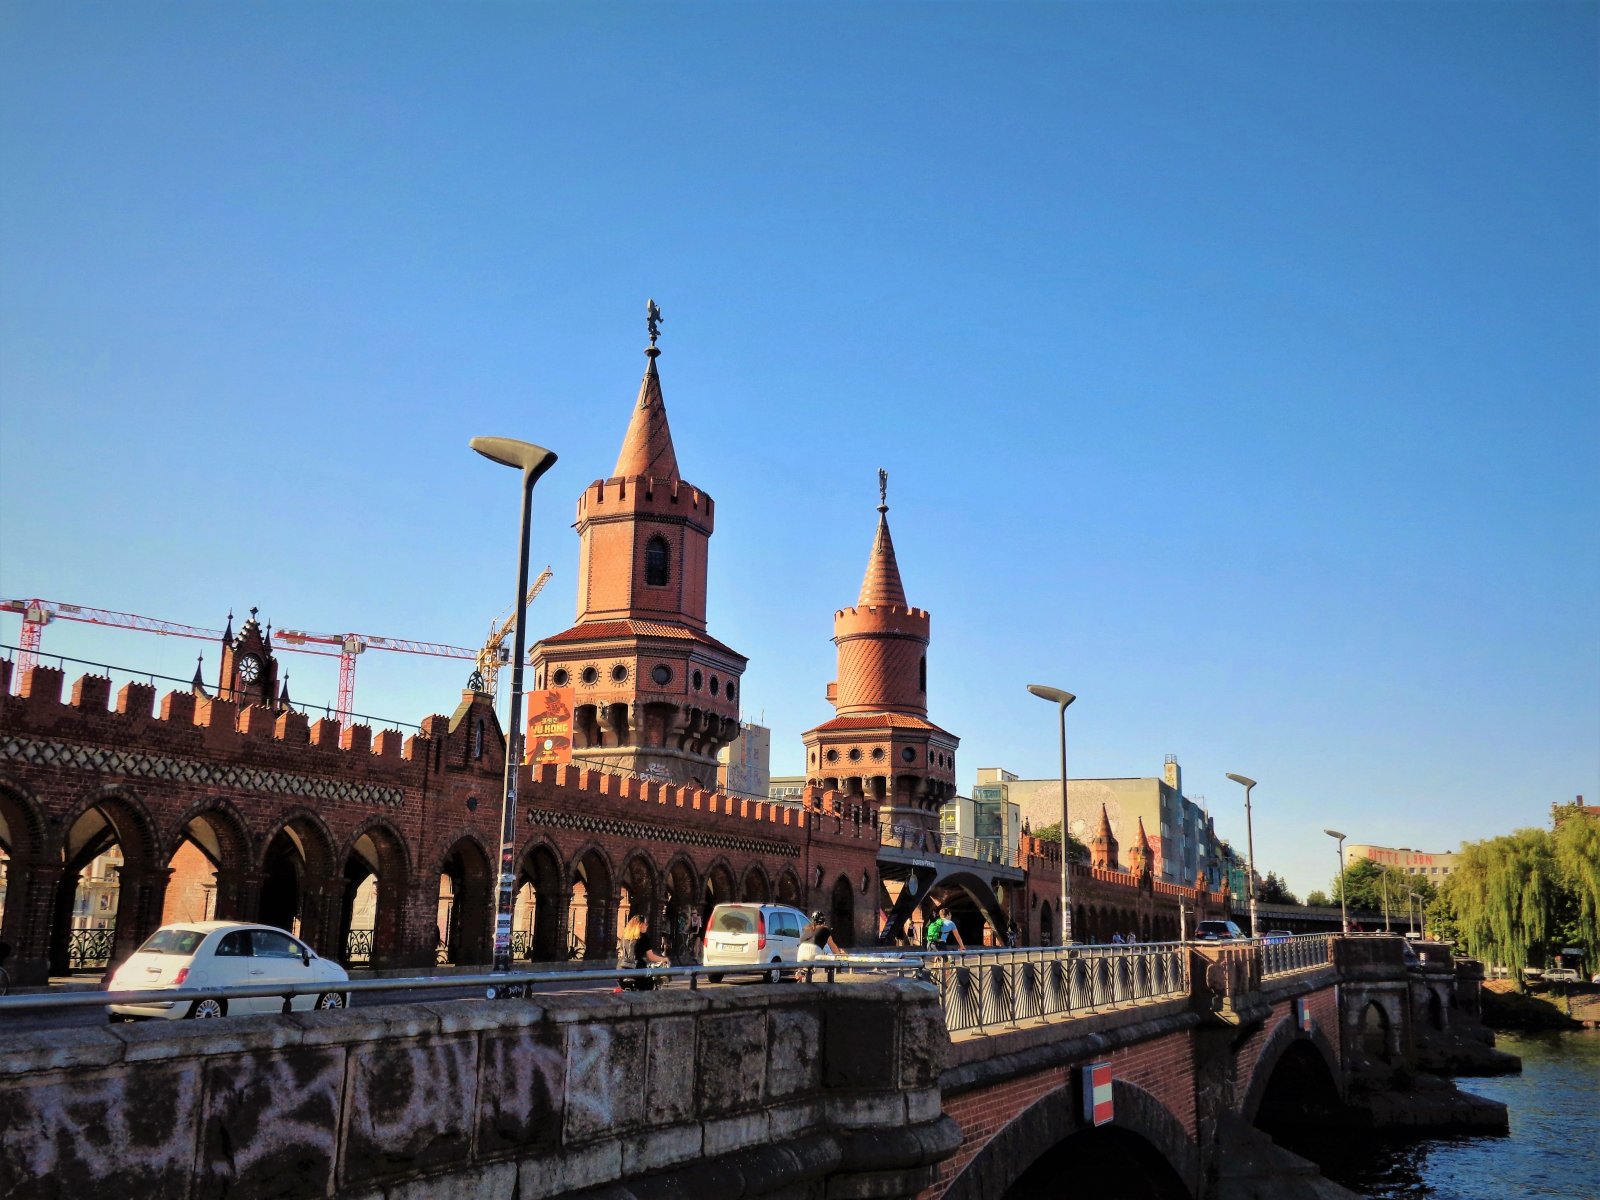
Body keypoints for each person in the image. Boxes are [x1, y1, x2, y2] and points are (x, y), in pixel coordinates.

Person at [617, 916, 669, 991]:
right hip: (637, 969)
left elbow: (622, 953)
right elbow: (651, 957)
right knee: (649, 986)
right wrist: (664, 959)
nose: (647, 926)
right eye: (645, 923)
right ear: (640, 925)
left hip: (621, 969)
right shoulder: (643, 937)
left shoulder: (624, 936)